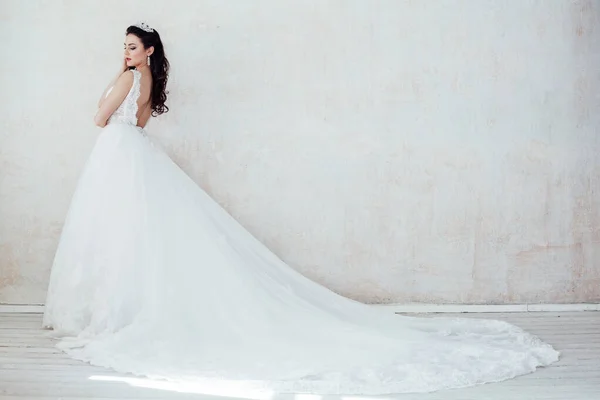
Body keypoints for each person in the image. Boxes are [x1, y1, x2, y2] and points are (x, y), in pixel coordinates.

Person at [42, 22, 559, 395]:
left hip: (119, 157)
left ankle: (118, 313)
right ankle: (122, 310)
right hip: (133, 156)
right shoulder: (151, 83)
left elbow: (98, 118)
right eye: (124, 47)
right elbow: (141, 122)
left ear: (148, 49)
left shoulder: (130, 78)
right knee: (136, 236)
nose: (125, 52)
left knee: (124, 236)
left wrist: (110, 88)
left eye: (132, 46)